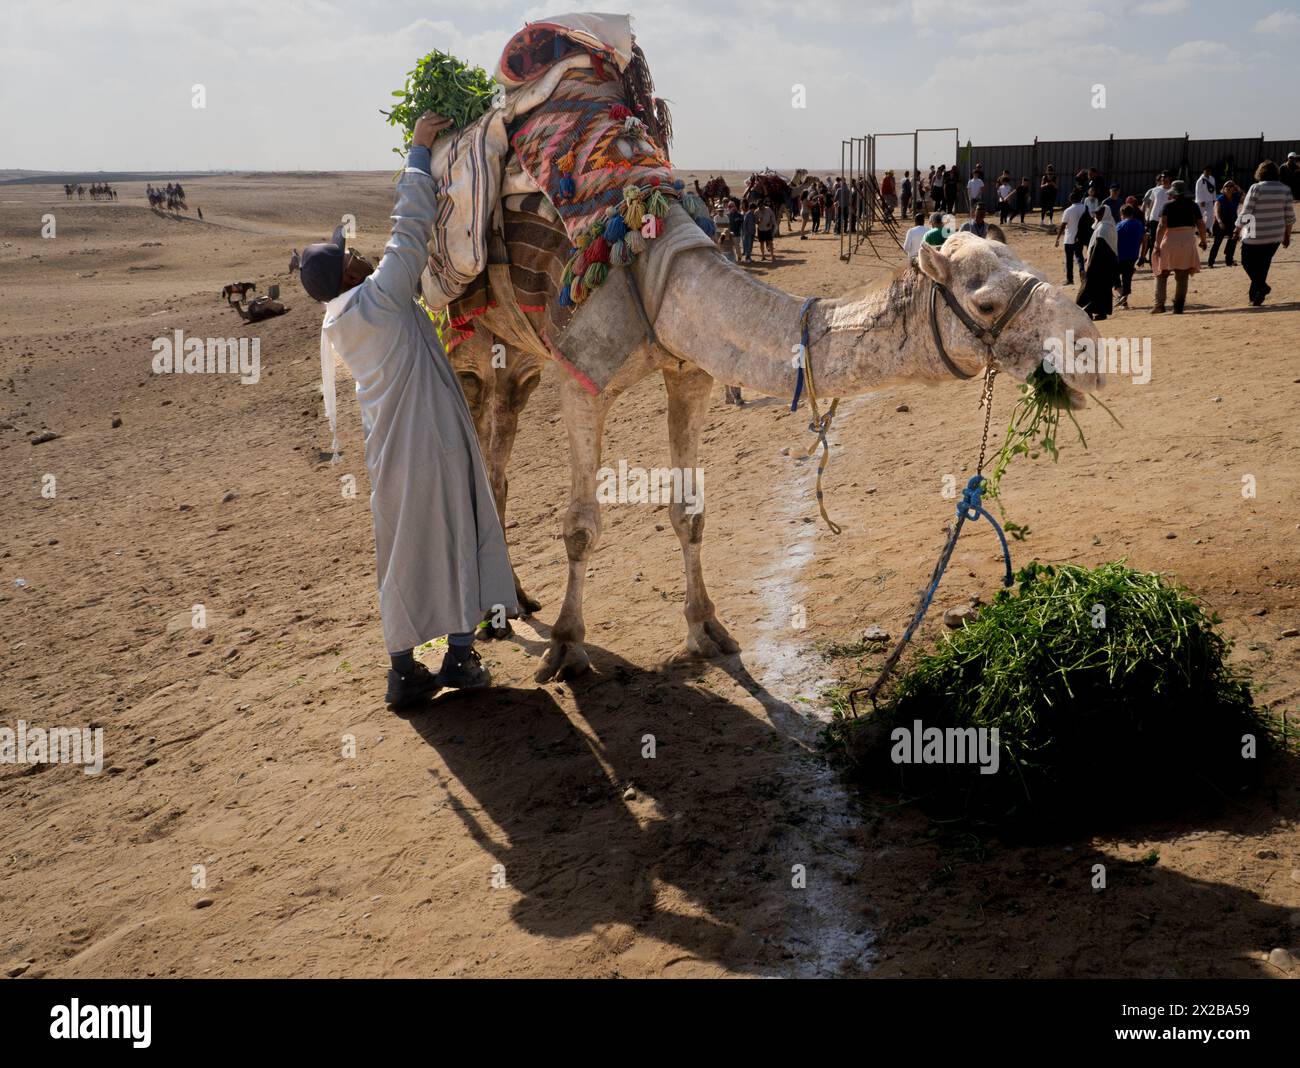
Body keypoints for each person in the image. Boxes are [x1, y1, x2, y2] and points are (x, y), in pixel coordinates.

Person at [300, 109, 515, 707]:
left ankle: (403, 670)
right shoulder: (379, 299)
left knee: (400, 555)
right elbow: (411, 230)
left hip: (388, 455)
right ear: (348, 271)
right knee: (452, 538)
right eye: (352, 254)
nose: (362, 254)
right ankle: (460, 658)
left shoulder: (339, 320)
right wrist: (420, 151)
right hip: (430, 444)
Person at [1234, 159, 1295, 306]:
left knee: (1247, 262)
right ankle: (1255, 297)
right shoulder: (1285, 189)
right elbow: (1289, 217)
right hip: (1275, 234)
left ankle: (1262, 287)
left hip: (1255, 233)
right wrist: (1287, 236)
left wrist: (1237, 229)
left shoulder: (1256, 188)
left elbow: (1246, 212)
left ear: (1260, 172)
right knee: (1263, 265)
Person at [1151, 179, 1206, 314]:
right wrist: (1203, 240)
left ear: (1173, 193)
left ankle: (1159, 305)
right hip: (1187, 242)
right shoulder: (1193, 206)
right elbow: (1201, 224)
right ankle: (1178, 306)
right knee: (1182, 276)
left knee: (1162, 274)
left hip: (1170, 242)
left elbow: (1162, 226)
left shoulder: (1167, 206)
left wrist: (1157, 244)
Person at [1076, 205, 1119, 320]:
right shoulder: (1110, 226)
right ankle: (1101, 312)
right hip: (1108, 263)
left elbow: (1099, 249)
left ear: (1104, 215)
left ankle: (1087, 311)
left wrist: (1090, 266)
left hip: (1098, 264)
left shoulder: (1102, 229)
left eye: (1099, 214)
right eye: (1096, 213)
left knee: (1090, 289)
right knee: (1103, 289)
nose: (1096, 216)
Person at [1139, 172, 1173, 267]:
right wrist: (1148, 217)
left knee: (1166, 241)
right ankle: (1152, 263)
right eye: (1162, 178)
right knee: (1153, 241)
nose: (1163, 180)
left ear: (1169, 178)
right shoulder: (1155, 190)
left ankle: (1165, 262)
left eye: (1165, 178)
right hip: (1154, 219)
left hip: (1167, 219)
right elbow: (1152, 203)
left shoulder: (1173, 190)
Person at [1055, 189, 1088, 285]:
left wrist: (1057, 238)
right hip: (1080, 237)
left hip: (1069, 238)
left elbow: (1063, 225)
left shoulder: (1068, 210)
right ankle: (1082, 269)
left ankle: (1070, 279)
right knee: (1079, 256)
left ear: (1070, 199)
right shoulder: (1085, 208)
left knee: (1069, 259)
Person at [1114, 203, 1143, 308]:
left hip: (1120, 255)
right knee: (1127, 278)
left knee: (1114, 275)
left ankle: (1121, 295)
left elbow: (1114, 238)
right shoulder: (1138, 224)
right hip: (1133, 255)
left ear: (1122, 213)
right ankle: (1124, 299)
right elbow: (1144, 237)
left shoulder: (1120, 225)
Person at [1207, 180, 1241, 268]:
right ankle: (1211, 262)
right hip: (1221, 222)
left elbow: (1247, 198)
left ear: (1234, 189)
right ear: (1223, 189)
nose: (1229, 188)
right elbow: (1216, 212)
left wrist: (1238, 189)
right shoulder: (1220, 199)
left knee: (1232, 241)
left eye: (1231, 186)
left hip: (1232, 222)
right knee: (1217, 243)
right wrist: (1220, 222)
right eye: (1227, 186)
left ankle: (1229, 260)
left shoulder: (1236, 197)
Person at [1194, 164, 1217, 231]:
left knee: (1210, 215)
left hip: (1210, 199)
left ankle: (1207, 228)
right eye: (1206, 171)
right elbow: (1198, 191)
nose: (1208, 172)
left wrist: (1214, 199)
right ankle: (1197, 229)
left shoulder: (1212, 178)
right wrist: (1200, 200)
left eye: (1209, 171)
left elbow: (1213, 189)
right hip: (1202, 201)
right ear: (1204, 171)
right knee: (1199, 216)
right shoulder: (1200, 180)